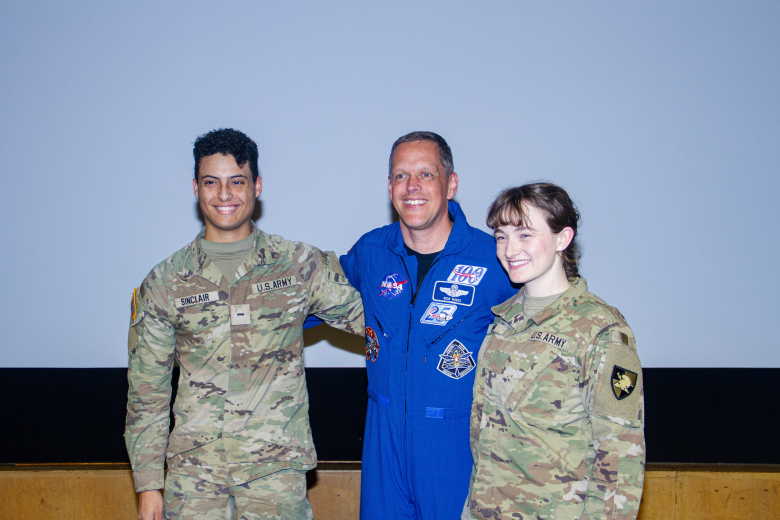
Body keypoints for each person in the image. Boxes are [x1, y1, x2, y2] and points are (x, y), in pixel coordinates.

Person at [125, 128, 364, 520]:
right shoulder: (166, 281)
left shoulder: (298, 265)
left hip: (275, 472)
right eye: (211, 182)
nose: (224, 195)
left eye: (237, 182)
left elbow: (373, 321)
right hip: (195, 477)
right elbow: (146, 393)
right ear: (195, 188)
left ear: (257, 185)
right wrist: (149, 486)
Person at [339, 132, 517, 520]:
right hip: (384, 444)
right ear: (389, 188)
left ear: (451, 184)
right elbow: (308, 304)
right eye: (401, 176)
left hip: (455, 448)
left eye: (426, 174)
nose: (412, 187)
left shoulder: (495, 259)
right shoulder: (370, 252)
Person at [462, 183, 645, 520]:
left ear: (563, 239)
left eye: (525, 235)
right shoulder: (503, 321)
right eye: (501, 236)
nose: (509, 249)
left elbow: (619, 457)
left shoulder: (601, 329)